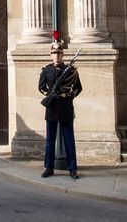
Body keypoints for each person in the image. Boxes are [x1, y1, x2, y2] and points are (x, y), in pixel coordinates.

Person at [38, 41, 82, 179]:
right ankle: (49, 167)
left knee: (69, 139)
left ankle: (72, 168)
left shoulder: (70, 70)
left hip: (65, 107)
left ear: (62, 54)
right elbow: (41, 87)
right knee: (50, 140)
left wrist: (67, 96)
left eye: (58, 53)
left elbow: (78, 88)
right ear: (51, 55)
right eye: (54, 53)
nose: (56, 55)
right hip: (52, 108)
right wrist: (50, 95)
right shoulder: (46, 70)